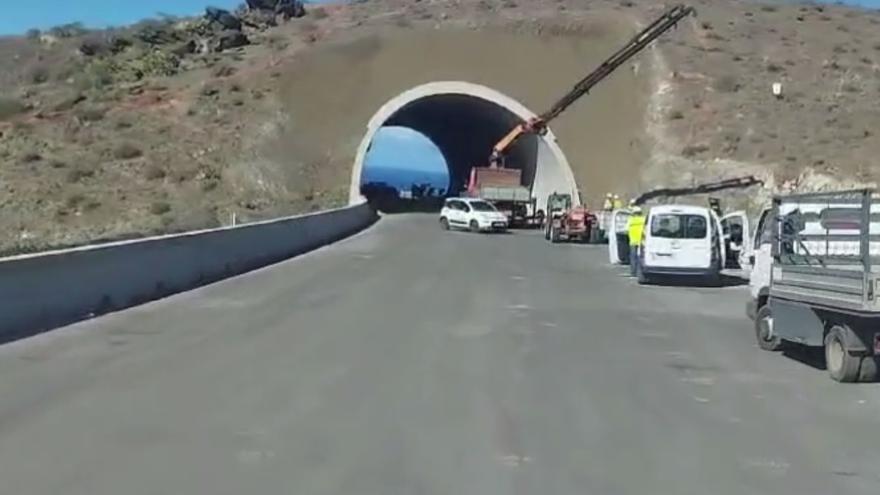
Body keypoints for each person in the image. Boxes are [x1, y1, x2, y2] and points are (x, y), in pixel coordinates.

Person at [627, 206, 646, 276]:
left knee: (633, 257)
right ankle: (640, 272)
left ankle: (633, 272)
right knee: (641, 257)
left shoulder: (630, 220)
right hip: (642, 241)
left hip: (633, 241)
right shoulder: (643, 219)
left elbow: (626, 230)